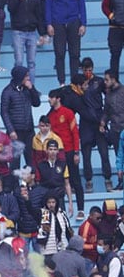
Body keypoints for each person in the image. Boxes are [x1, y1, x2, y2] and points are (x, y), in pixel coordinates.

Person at [45, 0, 87, 87]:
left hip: (74, 21)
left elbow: (82, 4)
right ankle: (61, 82)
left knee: (75, 54)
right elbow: (48, 4)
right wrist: (48, 23)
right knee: (59, 53)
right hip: (57, 22)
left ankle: (74, 82)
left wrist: (83, 24)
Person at [49, 88, 83, 219]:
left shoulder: (68, 113)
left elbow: (75, 133)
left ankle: (80, 209)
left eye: (52, 98)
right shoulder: (50, 116)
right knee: (60, 181)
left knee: (76, 179)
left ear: (58, 99)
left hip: (69, 151)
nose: (49, 100)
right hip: (58, 154)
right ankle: (61, 210)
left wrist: (76, 152)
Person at [0, 66, 40, 169]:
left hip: (29, 131)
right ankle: (14, 185)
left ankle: (31, 183)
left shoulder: (27, 89)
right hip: (15, 132)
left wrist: (32, 89)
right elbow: (4, 112)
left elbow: (37, 103)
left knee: (31, 161)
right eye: (26, 76)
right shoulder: (7, 91)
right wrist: (11, 130)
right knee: (15, 162)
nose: (28, 78)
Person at [8, 0, 44, 83]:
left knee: (31, 62)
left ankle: (31, 87)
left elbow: (39, 16)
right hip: (18, 32)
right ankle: (17, 86)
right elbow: (11, 9)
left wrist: (42, 33)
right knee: (19, 61)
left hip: (32, 33)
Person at [103, 0, 124, 79]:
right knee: (115, 57)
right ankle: (115, 83)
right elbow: (104, 6)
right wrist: (111, 16)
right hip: (115, 28)